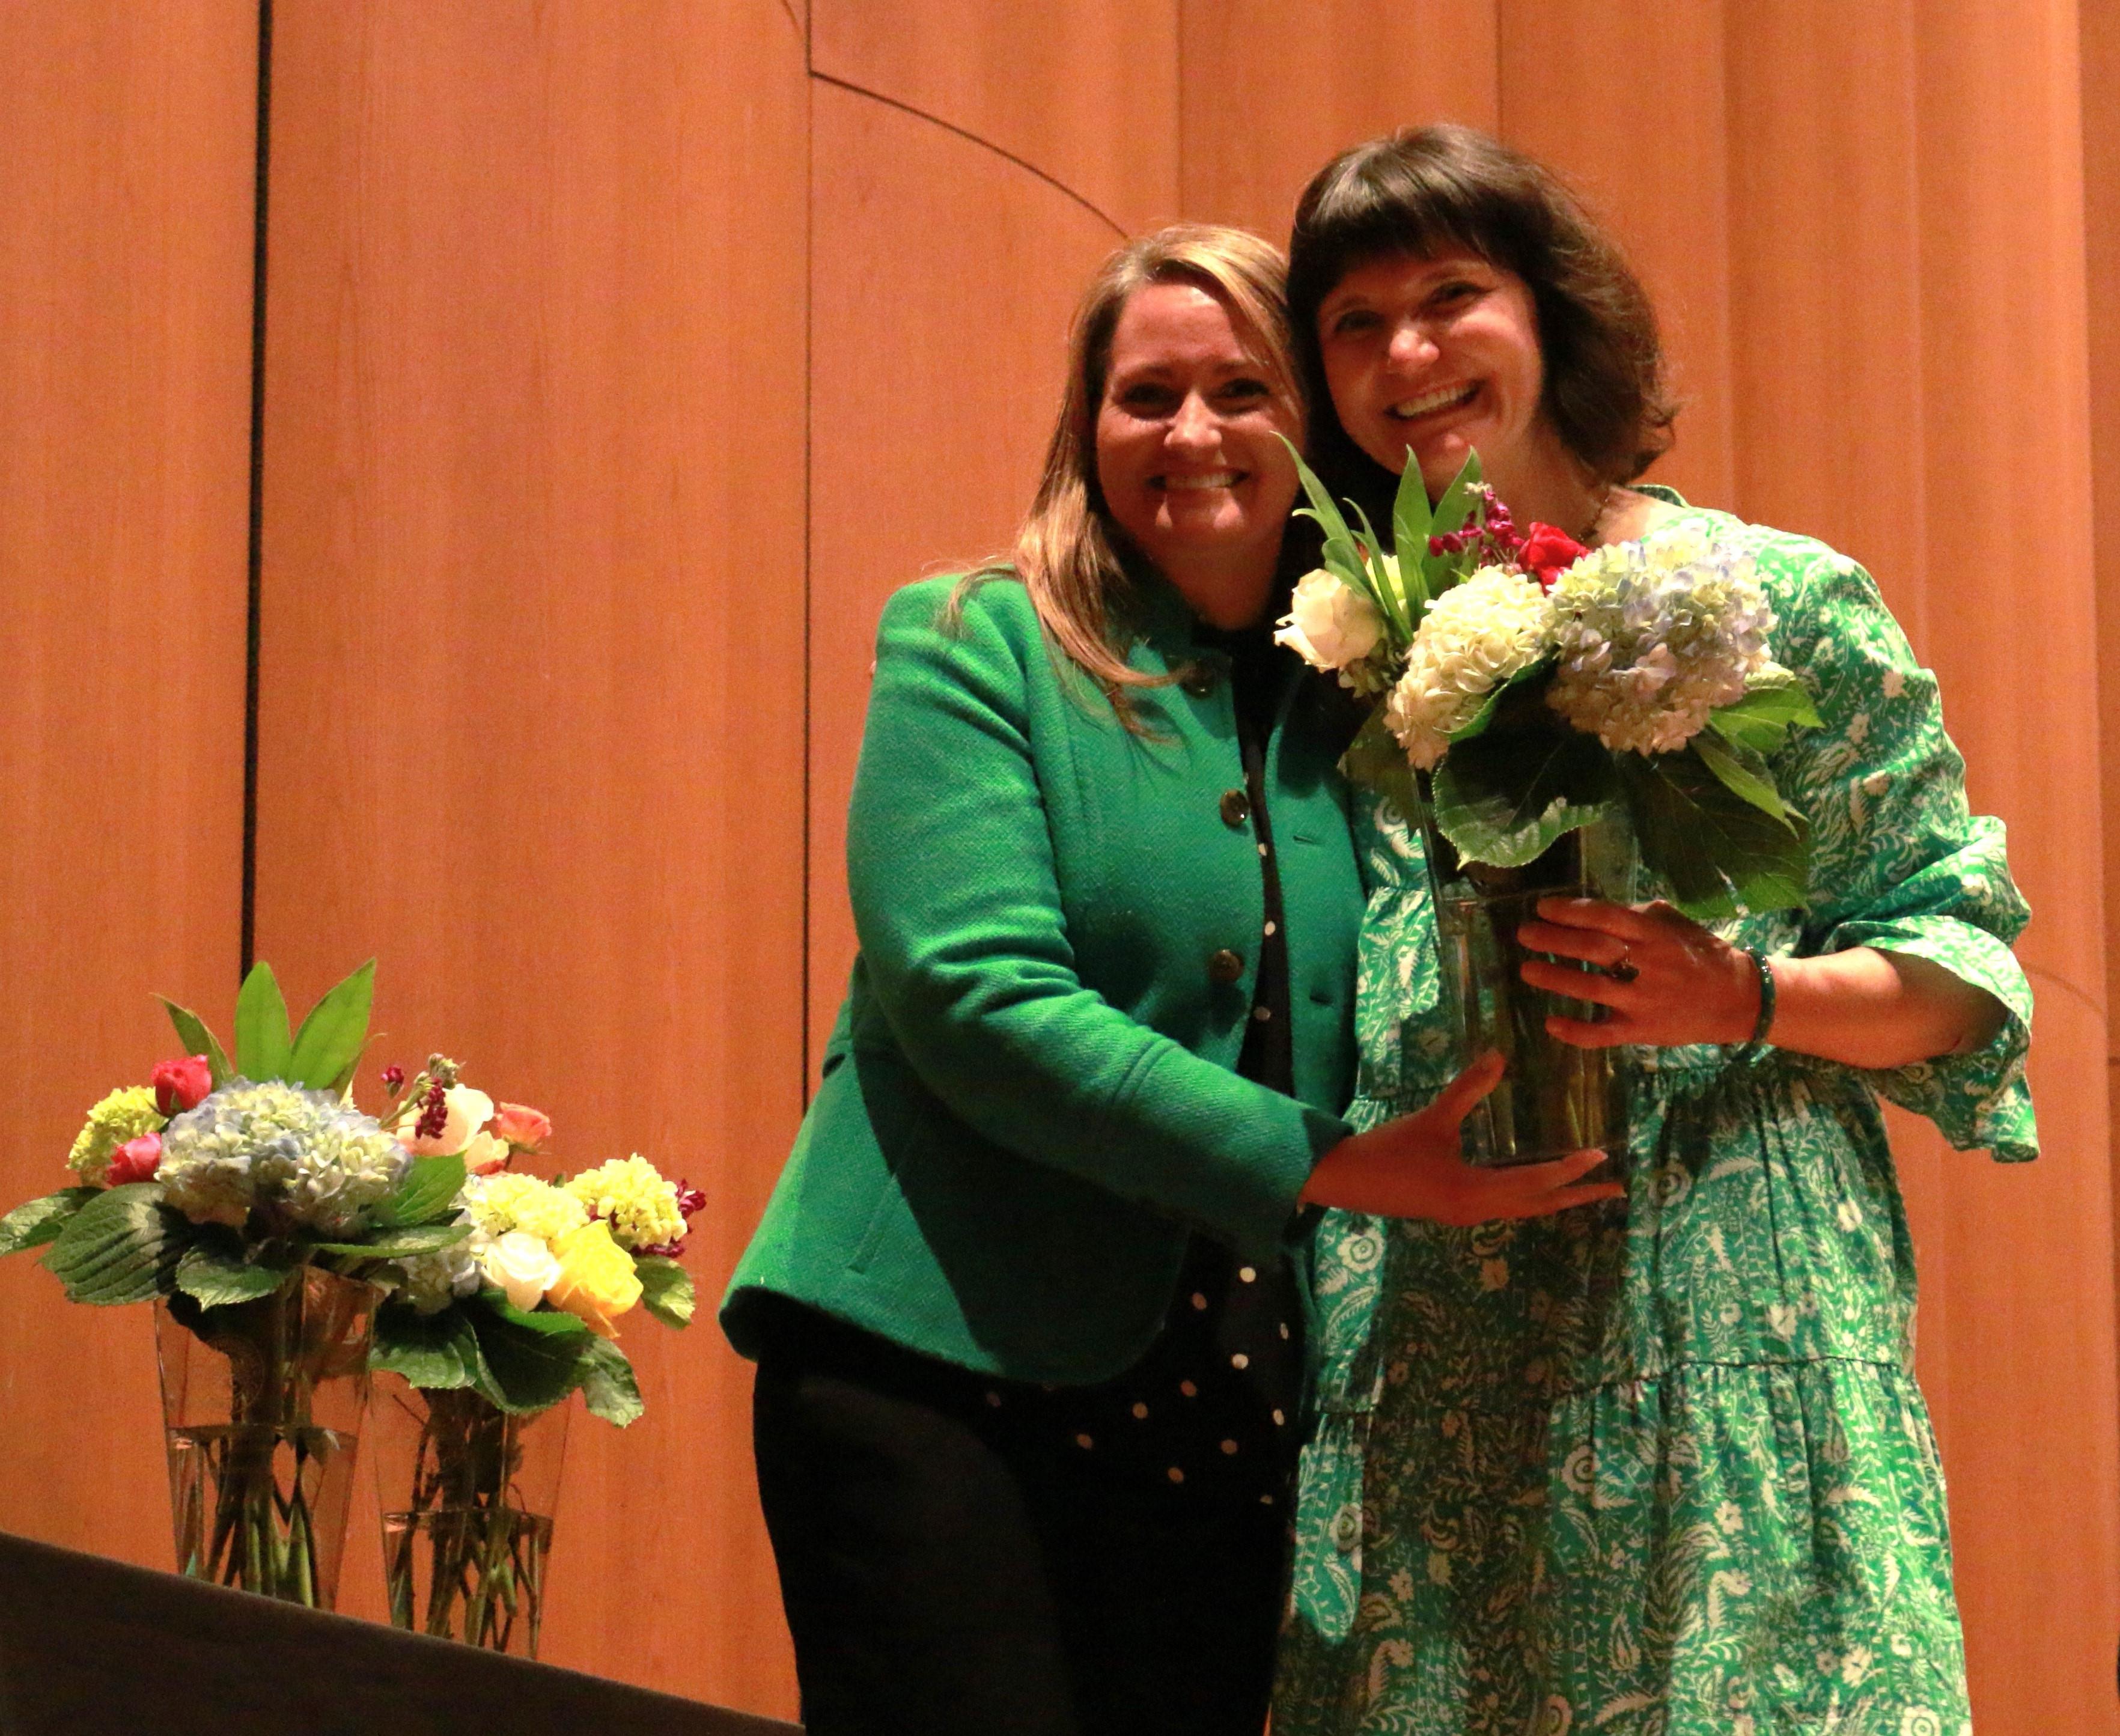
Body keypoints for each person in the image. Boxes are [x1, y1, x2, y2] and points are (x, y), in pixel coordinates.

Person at [719, 222, 1619, 1736]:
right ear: (1088, 429)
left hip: (1226, 1420)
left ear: (1311, 428)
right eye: (1146, 395)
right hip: (939, 1378)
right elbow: (977, 1001)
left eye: (1241, 389)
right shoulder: (972, 640)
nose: (1192, 433)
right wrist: (1331, 1168)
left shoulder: (1378, 706)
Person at [1270, 127, 2035, 1736]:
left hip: (1735, 1340)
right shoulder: (1350, 658)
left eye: (1451, 294)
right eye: (1354, 320)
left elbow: (1963, 972)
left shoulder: (1774, 601)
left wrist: (1738, 990)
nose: (1407, 352)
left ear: (1547, 315)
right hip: (1453, 1359)